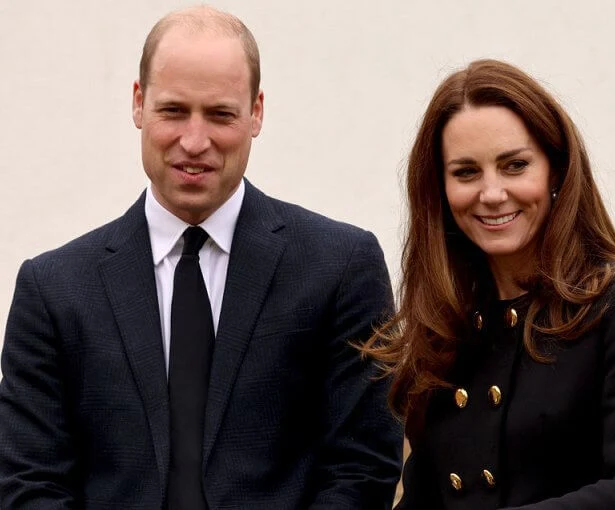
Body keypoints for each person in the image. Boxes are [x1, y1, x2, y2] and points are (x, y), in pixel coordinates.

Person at [0, 6, 402, 509]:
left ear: (256, 112)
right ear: (138, 104)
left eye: (220, 114)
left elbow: (363, 469)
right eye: (173, 111)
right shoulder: (53, 289)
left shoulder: (341, 267)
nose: (195, 141)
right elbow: (30, 482)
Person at [362, 59, 615, 509]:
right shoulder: (447, 326)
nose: (492, 193)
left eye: (514, 165)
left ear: (555, 170)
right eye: (466, 172)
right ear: (439, 188)